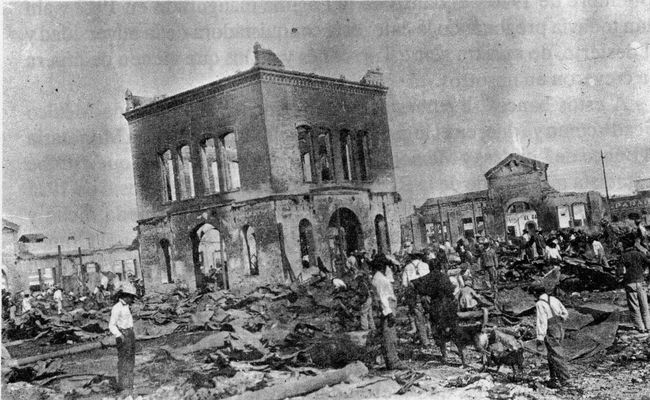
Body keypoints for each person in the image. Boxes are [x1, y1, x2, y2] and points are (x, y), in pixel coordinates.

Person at [534, 286, 570, 388]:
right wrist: (560, 319)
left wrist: (540, 338)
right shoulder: (554, 299)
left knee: (556, 355)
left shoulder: (540, 303)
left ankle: (565, 380)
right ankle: (553, 379)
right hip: (560, 328)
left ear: (536, 294)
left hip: (551, 330)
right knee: (552, 354)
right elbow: (565, 313)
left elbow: (542, 322)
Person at [371, 256, 403, 370]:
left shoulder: (379, 277)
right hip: (388, 307)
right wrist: (389, 313)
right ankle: (393, 361)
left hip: (389, 305)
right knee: (389, 335)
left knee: (390, 335)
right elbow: (382, 297)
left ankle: (392, 359)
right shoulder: (379, 279)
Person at [108, 282, 138, 396]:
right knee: (124, 361)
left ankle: (129, 384)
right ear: (126, 296)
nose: (132, 299)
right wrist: (119, 335)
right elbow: (111, 325)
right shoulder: (117, 308)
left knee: (131, 359)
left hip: (130, 333)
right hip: (123, 334)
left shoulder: (126, 307)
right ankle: (123, 386)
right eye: (131, 297)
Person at [618, 234, 650, 333]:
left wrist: (620, 277)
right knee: (644, 305)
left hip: (630, 283)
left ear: (625, 245)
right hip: (641, 282)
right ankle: (648, 326)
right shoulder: (640, 254)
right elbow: (648, 262)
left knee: (634, 306)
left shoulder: (623, 256)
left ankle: (640, 327)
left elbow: (619, 272)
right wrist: (644, 271)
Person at [401, 252, 430, 345]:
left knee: (418, 317)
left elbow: (404, 284)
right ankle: (430, 334)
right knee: (428, 315)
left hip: (414, 294)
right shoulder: (425, 265)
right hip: (426, 293)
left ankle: (425, 340)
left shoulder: (407, 267)